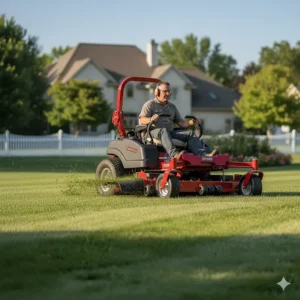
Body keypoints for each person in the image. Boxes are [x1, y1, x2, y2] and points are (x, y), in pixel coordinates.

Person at [139, 81, 216, 159]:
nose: (168, 94)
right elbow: (142, 119)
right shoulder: (150, 104)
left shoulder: (172, 107)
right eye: (165, 91)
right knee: (164, 131)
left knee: (189, 133)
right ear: (157, 92)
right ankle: (175, 155)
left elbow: (182, 123)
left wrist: (192, 122)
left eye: (169, 91)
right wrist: (151, 119)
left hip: (170, 132)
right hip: (153, 132)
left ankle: (202, 155)